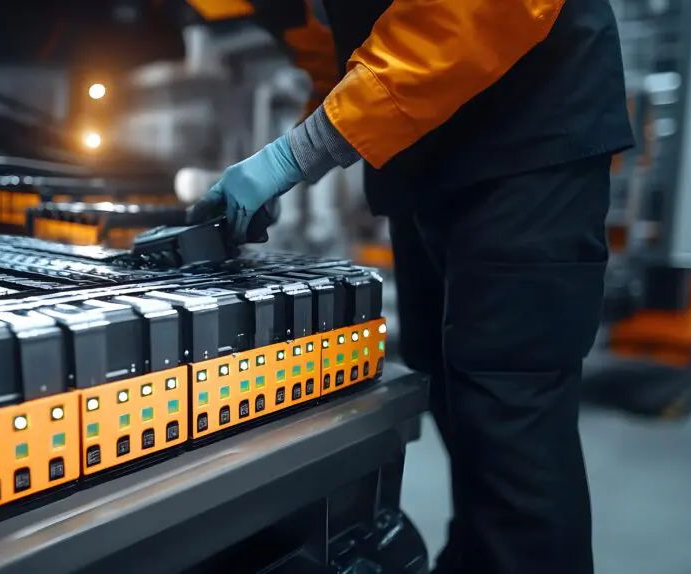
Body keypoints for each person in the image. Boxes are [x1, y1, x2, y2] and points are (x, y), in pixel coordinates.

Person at [187, 1, 635, 572]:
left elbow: (474, 12)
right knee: (458, 400)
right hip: (428, 160)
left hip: (524, 147)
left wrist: (294, 155)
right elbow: (334, 37)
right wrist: (305, 147)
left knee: (512, 417)